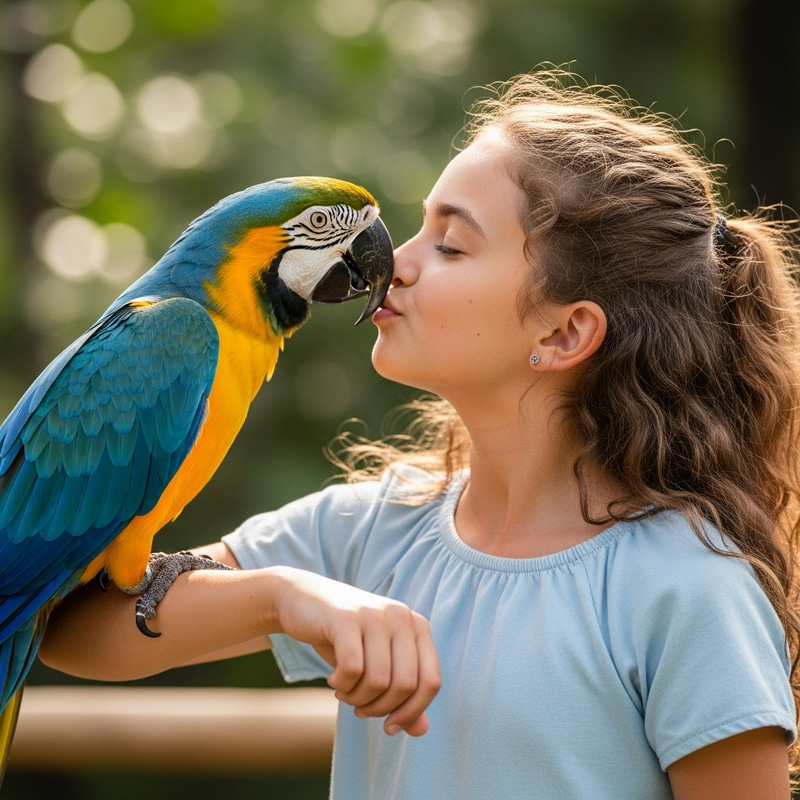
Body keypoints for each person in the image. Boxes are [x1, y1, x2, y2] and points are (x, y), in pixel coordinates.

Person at [40, 68, 800, 799]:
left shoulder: (689, 590)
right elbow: (75, 630)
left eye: (450, 244)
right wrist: (282, 599)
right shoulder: (361, 536)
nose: (393, 265)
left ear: (566, 333)